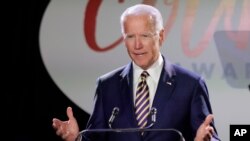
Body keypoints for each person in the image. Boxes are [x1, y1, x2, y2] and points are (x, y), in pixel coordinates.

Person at [52, 4, 220, 141]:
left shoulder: (190, 84)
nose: (137, 45)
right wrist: (76, 139)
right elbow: (95, 138)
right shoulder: (106, 86)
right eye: (130, 37)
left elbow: (211, 137)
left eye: (145, 36)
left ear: (160, 36)